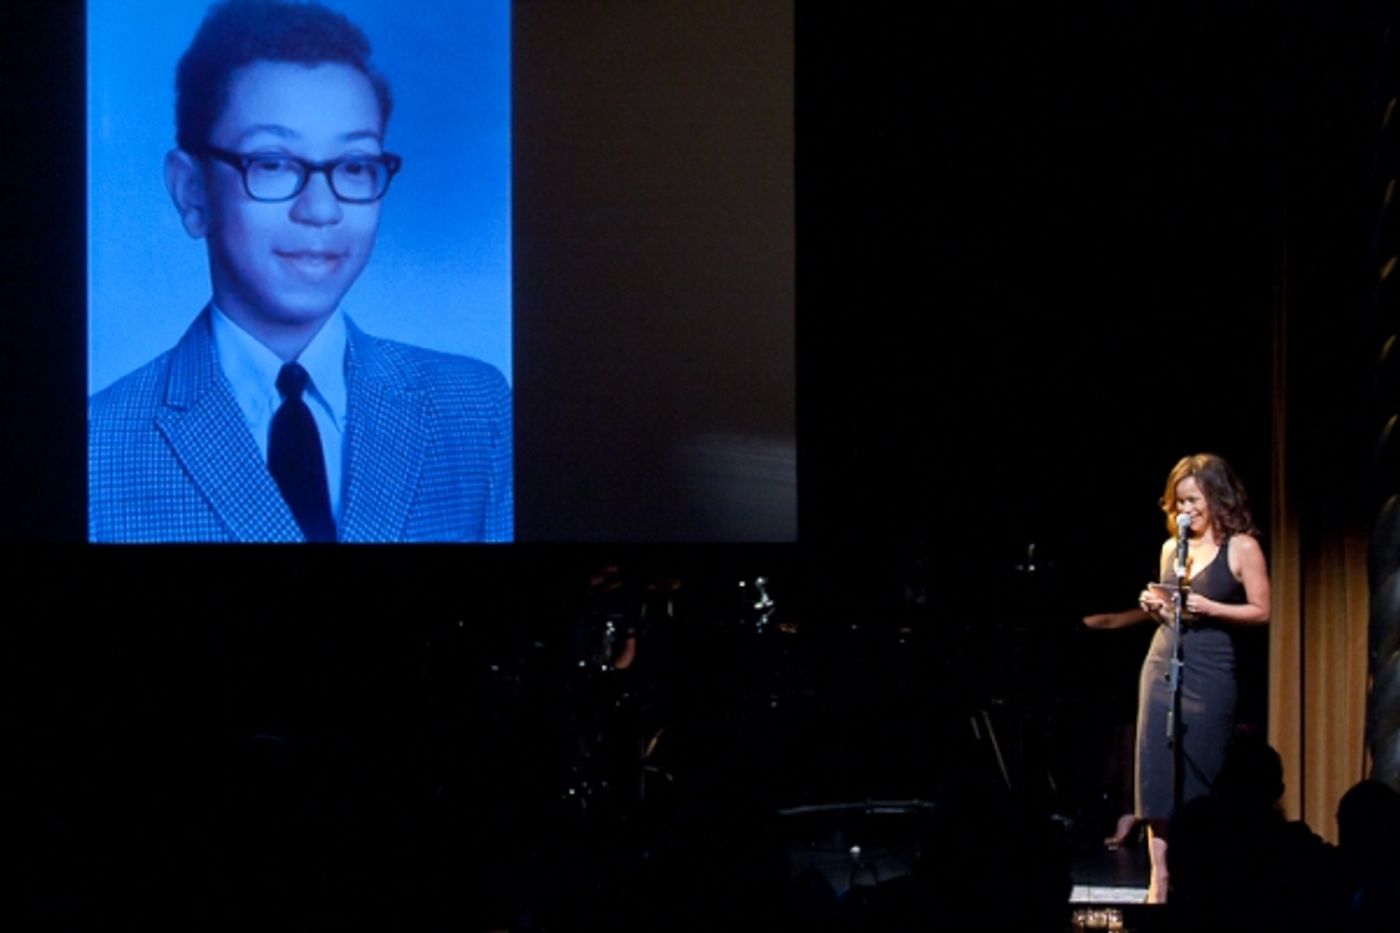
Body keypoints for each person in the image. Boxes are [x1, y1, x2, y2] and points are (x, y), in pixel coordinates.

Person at [88, 0, 512, 543]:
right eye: (272, 163)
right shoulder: (97, 445)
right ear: (192, 193)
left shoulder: (477, 410)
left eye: (355, 166)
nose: (321, 209)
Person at [1082, 452, 1270, 902]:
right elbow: (1173, 612)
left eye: (1192, 501)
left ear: (1216, 497)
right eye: (1178, 503)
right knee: (1157, 773)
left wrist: (1213, 608)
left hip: (1211, 669)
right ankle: (1159, 879)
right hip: (1163, 663)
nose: (1185, 511)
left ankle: (1206, 870)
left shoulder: (1242, 547)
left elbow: (1263, 611)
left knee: (1204, 768)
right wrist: (1157, 607)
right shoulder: (1171, 548)